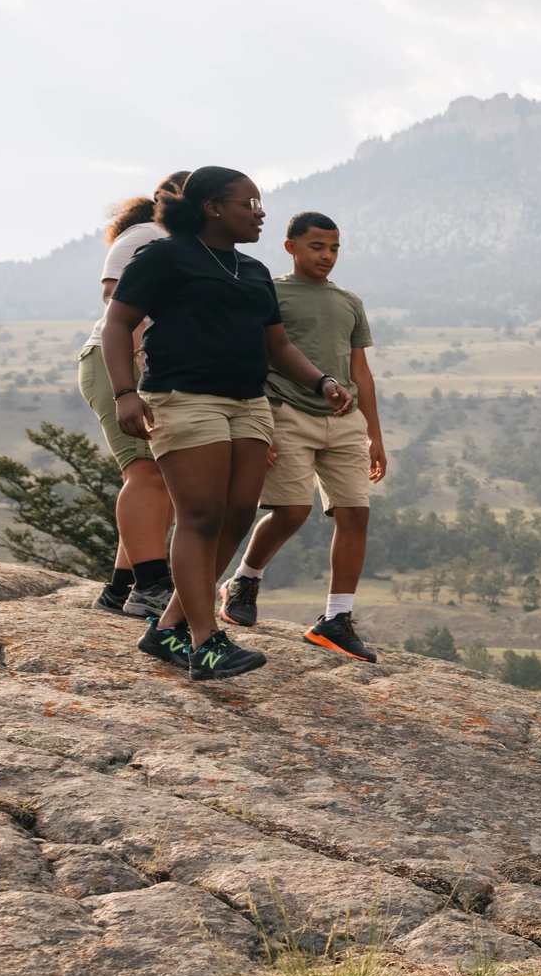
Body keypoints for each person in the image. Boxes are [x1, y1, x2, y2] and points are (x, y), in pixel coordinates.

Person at [101, 168, 355, 682]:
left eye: (260, 205)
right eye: (250, 205)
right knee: (201, 516)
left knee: (238, 514)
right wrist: (126, 392)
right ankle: (204, 643)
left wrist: (322, 381)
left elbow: (277, 346)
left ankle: (167, 627)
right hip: (183, 398)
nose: (260, 214)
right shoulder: (166, 256)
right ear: (213, 208)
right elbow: (118, 322)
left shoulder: (254, 270)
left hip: (247, 402)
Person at [221, 212, 387, 661]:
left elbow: (360, 372)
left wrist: (374, 433)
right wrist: (259, 425)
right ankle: (245, 581)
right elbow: (252, 356)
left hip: (345, 419)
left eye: (334, 248)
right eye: (317, 247)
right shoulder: (270, 293)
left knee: (356, 514)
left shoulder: (349, 302)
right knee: (291, 511)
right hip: (285, 413)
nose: (327, 257)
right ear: (290, 246)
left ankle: (336, 619)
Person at [74, 176, 183, 618]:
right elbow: (117, 300)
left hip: (146, 367)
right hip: (117, 362)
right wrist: (136, 374)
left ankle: (121, 588)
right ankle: (152, 585)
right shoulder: (147, 236)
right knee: (148, 474)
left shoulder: (180, 245)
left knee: (162, 479)